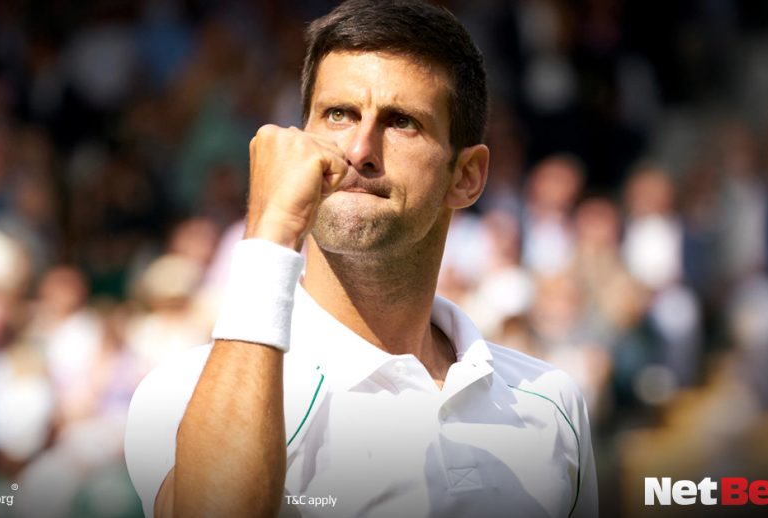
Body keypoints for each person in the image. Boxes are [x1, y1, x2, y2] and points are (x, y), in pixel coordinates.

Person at [125, 1, 598, 517]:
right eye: (338, 114)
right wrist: (270, 232)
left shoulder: (552, 403)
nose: (359, 149)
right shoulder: (182, 392)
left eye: (402, 122)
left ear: (466, 176)